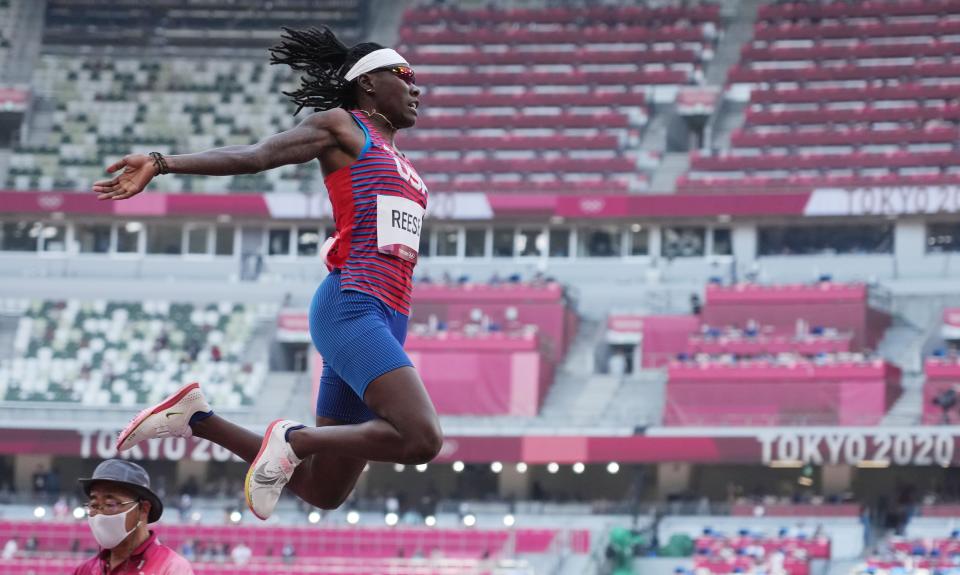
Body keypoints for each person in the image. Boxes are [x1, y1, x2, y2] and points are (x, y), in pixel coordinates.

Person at [99, 25, 441, 520]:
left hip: (389, 316)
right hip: (353, 306)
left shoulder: (402, 161)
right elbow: (258, 156)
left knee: (324, 491)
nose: (416, 89)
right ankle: (293, 439)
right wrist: (162, 161)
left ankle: (197, 419)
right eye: (405, 75)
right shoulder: (344, 128)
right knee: (422, 438)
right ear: (368, 81)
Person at [73, 459, 193, 574]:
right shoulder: (86, 570)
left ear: (143, 509)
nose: (99, 514)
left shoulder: (170, 568)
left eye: (110, 504)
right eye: (94, 505)